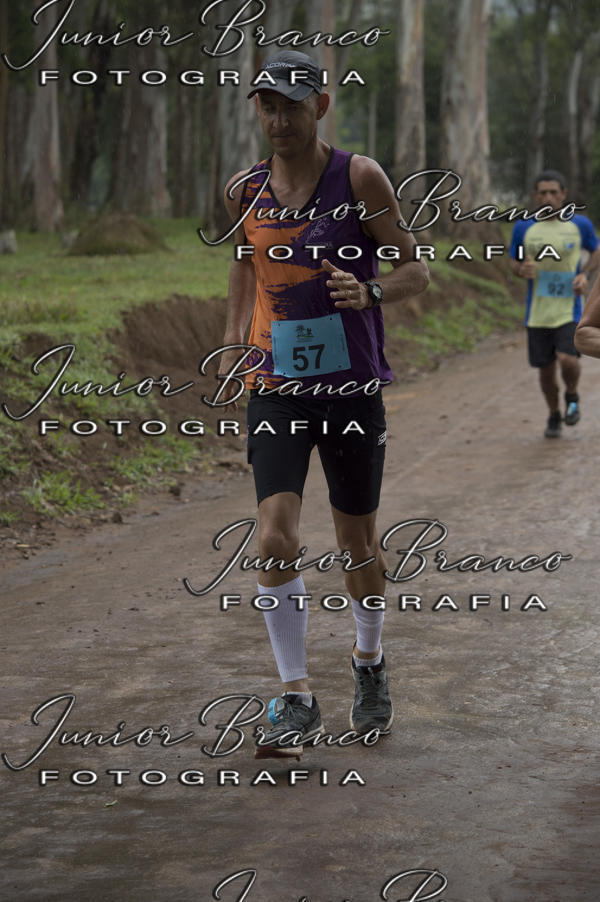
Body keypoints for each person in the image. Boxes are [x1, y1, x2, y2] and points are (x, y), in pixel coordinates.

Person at [218, 50, 429, 758]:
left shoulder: (359, 177)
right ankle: (295, 696)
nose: (279, 119)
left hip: (350, 390)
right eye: (267, 105)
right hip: (275, 389)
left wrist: (369, 292)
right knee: (274, 538)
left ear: (321, 107)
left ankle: (369, 663)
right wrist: (232, 347)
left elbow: (415, 270)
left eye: (293, 105)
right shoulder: (243, 189)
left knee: (357, 546)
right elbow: (244, 270)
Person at [509, 170, 600, 438]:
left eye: (553, 192)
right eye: (543, 192)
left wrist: (585, 273)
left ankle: (572, 396)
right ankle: (553, 414)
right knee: (546, 372)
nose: (548, 197)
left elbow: (596, 251)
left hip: (569, 308)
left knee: (567, 359)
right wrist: (520, 269)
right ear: (536, 196)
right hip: (536, 312)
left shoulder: (579, 225)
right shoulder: (524, 226)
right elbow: (513, 261)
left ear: (563, 195)